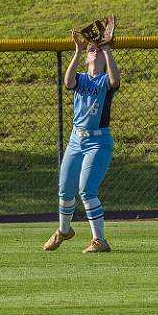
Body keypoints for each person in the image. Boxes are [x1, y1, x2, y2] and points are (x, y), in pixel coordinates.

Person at [44, 31, 121, 253]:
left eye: (96, 50)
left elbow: (116, 81)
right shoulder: (82, 78)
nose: (94, 51)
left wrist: (106, 50)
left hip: (98, 142)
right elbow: (68, 82)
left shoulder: (105, 81)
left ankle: (100, 240)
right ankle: (64, 231)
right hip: (75, 140)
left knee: (86, 190)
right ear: (87, 58)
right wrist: (79, 49)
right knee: (65, 189)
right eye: (92, 50)